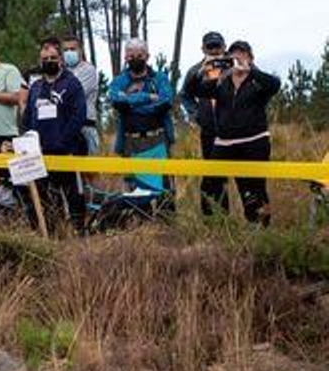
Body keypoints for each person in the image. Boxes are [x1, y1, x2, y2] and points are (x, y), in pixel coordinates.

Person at [186, 40, 280, 225]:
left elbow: (275, 85)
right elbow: (191, 90)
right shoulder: (221, 81)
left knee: (253, 187)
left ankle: (260, 226)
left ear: (250, 57)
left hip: (255, 141)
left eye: (242, 53)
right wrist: (201, 72)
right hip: (225, 143)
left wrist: (250, 71)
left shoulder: (257, 81)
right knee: (210, 183)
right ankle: (216, 223)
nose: (237, 57)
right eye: (233, 54)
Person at [22, 37, 89, 228]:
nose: (48, 62)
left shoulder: (72, 83)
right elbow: (27, 118)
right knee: (45, 195)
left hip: (67, 150)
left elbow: (79, 115)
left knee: (73, 194)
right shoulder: (36, 87)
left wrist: (63, 140)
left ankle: (78, 231)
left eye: (52, 58)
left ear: (60, 59)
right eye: (45, 59)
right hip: (41, 153)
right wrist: (29, 141)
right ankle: (52, 231)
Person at [106, 39, 175, 193]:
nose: (135, 59)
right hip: (130, 141)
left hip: (157, 139)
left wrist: (130, 103)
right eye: (131, 56)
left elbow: (165, 102)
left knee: (164, 186)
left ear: (147, 56)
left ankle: (165, 217)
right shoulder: (119, 81)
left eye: (139, 55)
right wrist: (148, 97)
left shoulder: (160, 78)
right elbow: (116, 101)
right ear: (125, 58)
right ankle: (138, 217)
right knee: (133, 188)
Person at [180, 30, 233, 214]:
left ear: (224, 46)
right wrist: (196, 115)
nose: (214, 50)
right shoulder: (195, 70)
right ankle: (214, 216)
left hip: (236, 129)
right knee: (212, 173)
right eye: (210, 46)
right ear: (203, 48)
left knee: (243, 174)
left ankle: (249, 218)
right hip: (209, 128)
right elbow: (185, 95)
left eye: (217, 46)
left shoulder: (235, 65)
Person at [60, 36, 101, 155]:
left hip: (85, 127)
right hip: (64, 127)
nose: (69, 52)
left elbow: (72, 95)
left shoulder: (88, 70)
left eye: (73, 49)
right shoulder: (60, 71)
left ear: (80, 51)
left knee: (88, 171)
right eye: (65, 50)